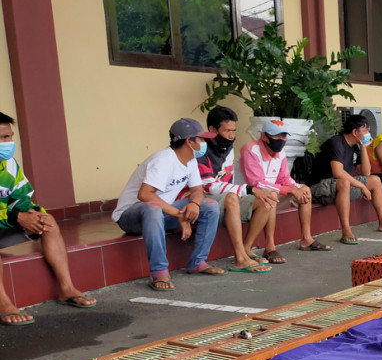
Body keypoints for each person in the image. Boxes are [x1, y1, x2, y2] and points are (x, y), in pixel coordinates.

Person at [0, 112, 96, 324]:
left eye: (10, 137)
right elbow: (14, 213)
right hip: (6, 221)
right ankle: (4, 303)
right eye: (4, 138)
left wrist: (32, 214)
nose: (9, 143)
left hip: (3, 224)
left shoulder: (9, 165)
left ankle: (66, 288)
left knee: (48, 221)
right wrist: (18, 217)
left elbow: (21, 198)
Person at [112, 118, 225, 291]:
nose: (204, 143)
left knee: (210, 206)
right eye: (201, 139)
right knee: (153, 207)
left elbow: (197, 189)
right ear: (189, 141)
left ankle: (197, 261)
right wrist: (180, 215)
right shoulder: (163, 160)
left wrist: (194, 203)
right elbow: (145, 195)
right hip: (131, 215)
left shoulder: (190, 160)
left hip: (163, 213)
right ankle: (159, 272)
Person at [194, 106, 272, 273]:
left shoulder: (227, 147)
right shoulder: (199, 149)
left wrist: (247, 192)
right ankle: (239, 258)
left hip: (225, 200)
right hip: (203, 202)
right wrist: (248, 189)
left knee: (266, 200)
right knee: (232, 197)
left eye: (234, 130)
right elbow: (209, 186)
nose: (232, 135)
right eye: (227, 130)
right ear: (212, 130)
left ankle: (246, 249)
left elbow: (228, 179)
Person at [240, 119, 330, 262]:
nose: (281, 140)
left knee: (304, 190)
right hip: (249, 196)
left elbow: (284, 178)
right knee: (273, 195)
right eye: (276, 136)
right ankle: (270, 248)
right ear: (264, 136)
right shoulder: (250, 149)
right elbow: (256, 183)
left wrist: (296, 188)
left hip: (270, 195)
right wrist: (288, 190)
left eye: (283, 136)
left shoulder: (280, 152)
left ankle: (306, 239)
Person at [312, 115, 382, 242]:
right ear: (355, 132)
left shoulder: (356, 146)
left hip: (341, 187)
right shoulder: (336, 143)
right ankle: (346, 230)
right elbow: (338, 172)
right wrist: (361, 186)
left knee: (375, 180)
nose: (368, 134)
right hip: (321, 187)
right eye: (365, 131)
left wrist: (363, 148)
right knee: (344, 182)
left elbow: (366, 173)